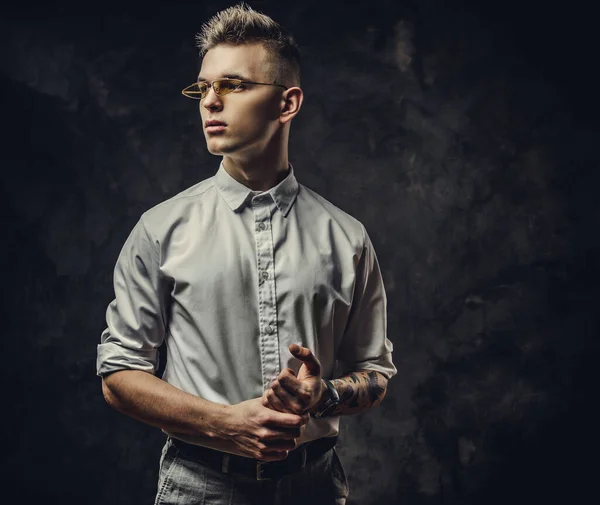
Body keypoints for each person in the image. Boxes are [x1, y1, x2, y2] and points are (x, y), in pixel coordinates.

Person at [96, 3, 397, 504]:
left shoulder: (348, 238)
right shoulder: (160, 230)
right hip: (199, 487)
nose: (210, 102)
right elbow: (119, 375)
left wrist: (324, 396)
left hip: (316, 487)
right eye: (203, 87)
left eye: (233, 85)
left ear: (287, 103)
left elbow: (375, 372)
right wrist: (227, 425)